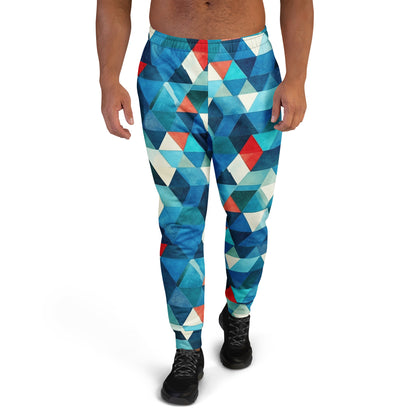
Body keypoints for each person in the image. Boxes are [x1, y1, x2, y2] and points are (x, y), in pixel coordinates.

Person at [96, 0, 313, 405]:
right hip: (167, 72)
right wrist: (109, 78)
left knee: (249, 216)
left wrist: (297, 77)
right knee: (179, 221)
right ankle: (187, 349)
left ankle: (239, 313)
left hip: (249, 68)